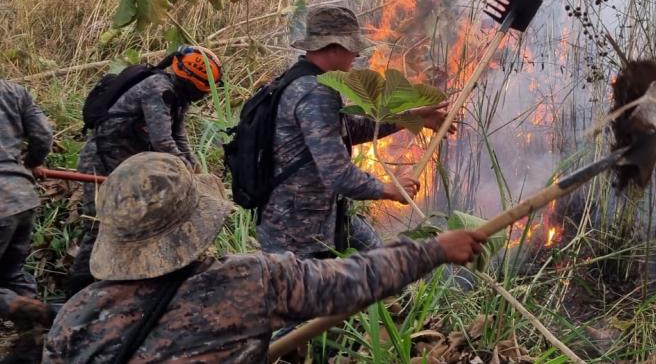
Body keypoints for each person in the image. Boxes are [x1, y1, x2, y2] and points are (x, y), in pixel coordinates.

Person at [42, 152, 487, 362]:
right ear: (197, 221)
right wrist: (434, 250)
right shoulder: (248, 283)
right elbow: (350, 281)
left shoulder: (73, 320)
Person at [258, 5, 455, 258]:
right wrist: (389, 189)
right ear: (334, 48)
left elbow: (345, 129)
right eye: (352, 47)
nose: (358, 52)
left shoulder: (307, 80)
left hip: (324, 213)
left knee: (382, 265)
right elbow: (338, 174)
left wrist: (409, 118)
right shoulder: (314, 92)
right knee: (341, 286)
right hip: (298, 231)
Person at [67, 46, 223, 295]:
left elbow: (177, 135)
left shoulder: (176, 97)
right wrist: (183, 169)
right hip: (100, 163)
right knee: (99, 225)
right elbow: (162, 141)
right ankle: (77, 291)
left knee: (133, 224)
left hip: (127, 167)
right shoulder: (158, 89)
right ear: (191, 82)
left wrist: (193, 166)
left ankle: (119, 286)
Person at [0, 79, 54, 360]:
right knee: (12, 272)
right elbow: (43, 133)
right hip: (21, 196)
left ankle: (17, 307)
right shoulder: (12, 90)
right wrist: (32, 164)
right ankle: (34, 337)